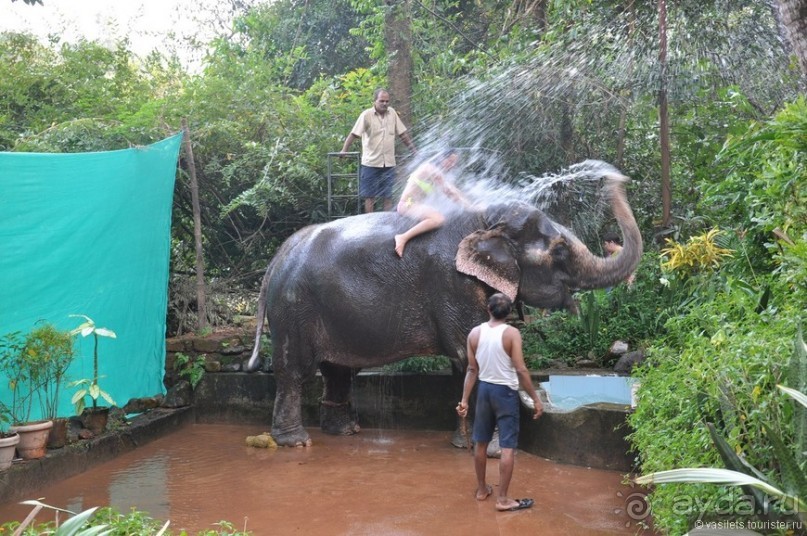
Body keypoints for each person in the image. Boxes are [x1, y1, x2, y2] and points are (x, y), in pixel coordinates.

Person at [456, 293, 543, 512]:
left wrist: (464, 400)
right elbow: (521, 369)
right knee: (507, 446)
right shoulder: (512, 333)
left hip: (483, 390)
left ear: (488, 310)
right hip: (505, 393)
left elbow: (471, 369)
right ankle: (503, 499)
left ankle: (481, 489)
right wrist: (535, 398)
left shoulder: (474, 333)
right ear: (510, 312)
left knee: (481, 442)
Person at [339, 88, 417, 213]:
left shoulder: (392, 113)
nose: (385, 104)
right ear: (374, 101)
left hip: (388, 163)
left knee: (387, 195)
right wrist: (344, 150)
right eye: (382, 101)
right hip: (371, 162)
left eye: (387, 101)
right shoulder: (366, 115)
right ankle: (370, 224)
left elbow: (402, 134)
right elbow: (354, 134)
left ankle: (386, 222)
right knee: (370, 196)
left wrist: (414, 151)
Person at [393, 149, 470, 257]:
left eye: (454, 163)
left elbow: (454, 189)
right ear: (442, 158)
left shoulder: (438, 172)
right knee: (438, 219)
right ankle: (403, 237)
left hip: (415, 204)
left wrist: (471, 204)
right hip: (408, 204)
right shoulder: (430, 169)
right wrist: (469, 207)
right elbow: (449, 191)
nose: (452, 165)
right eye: (450, 161)